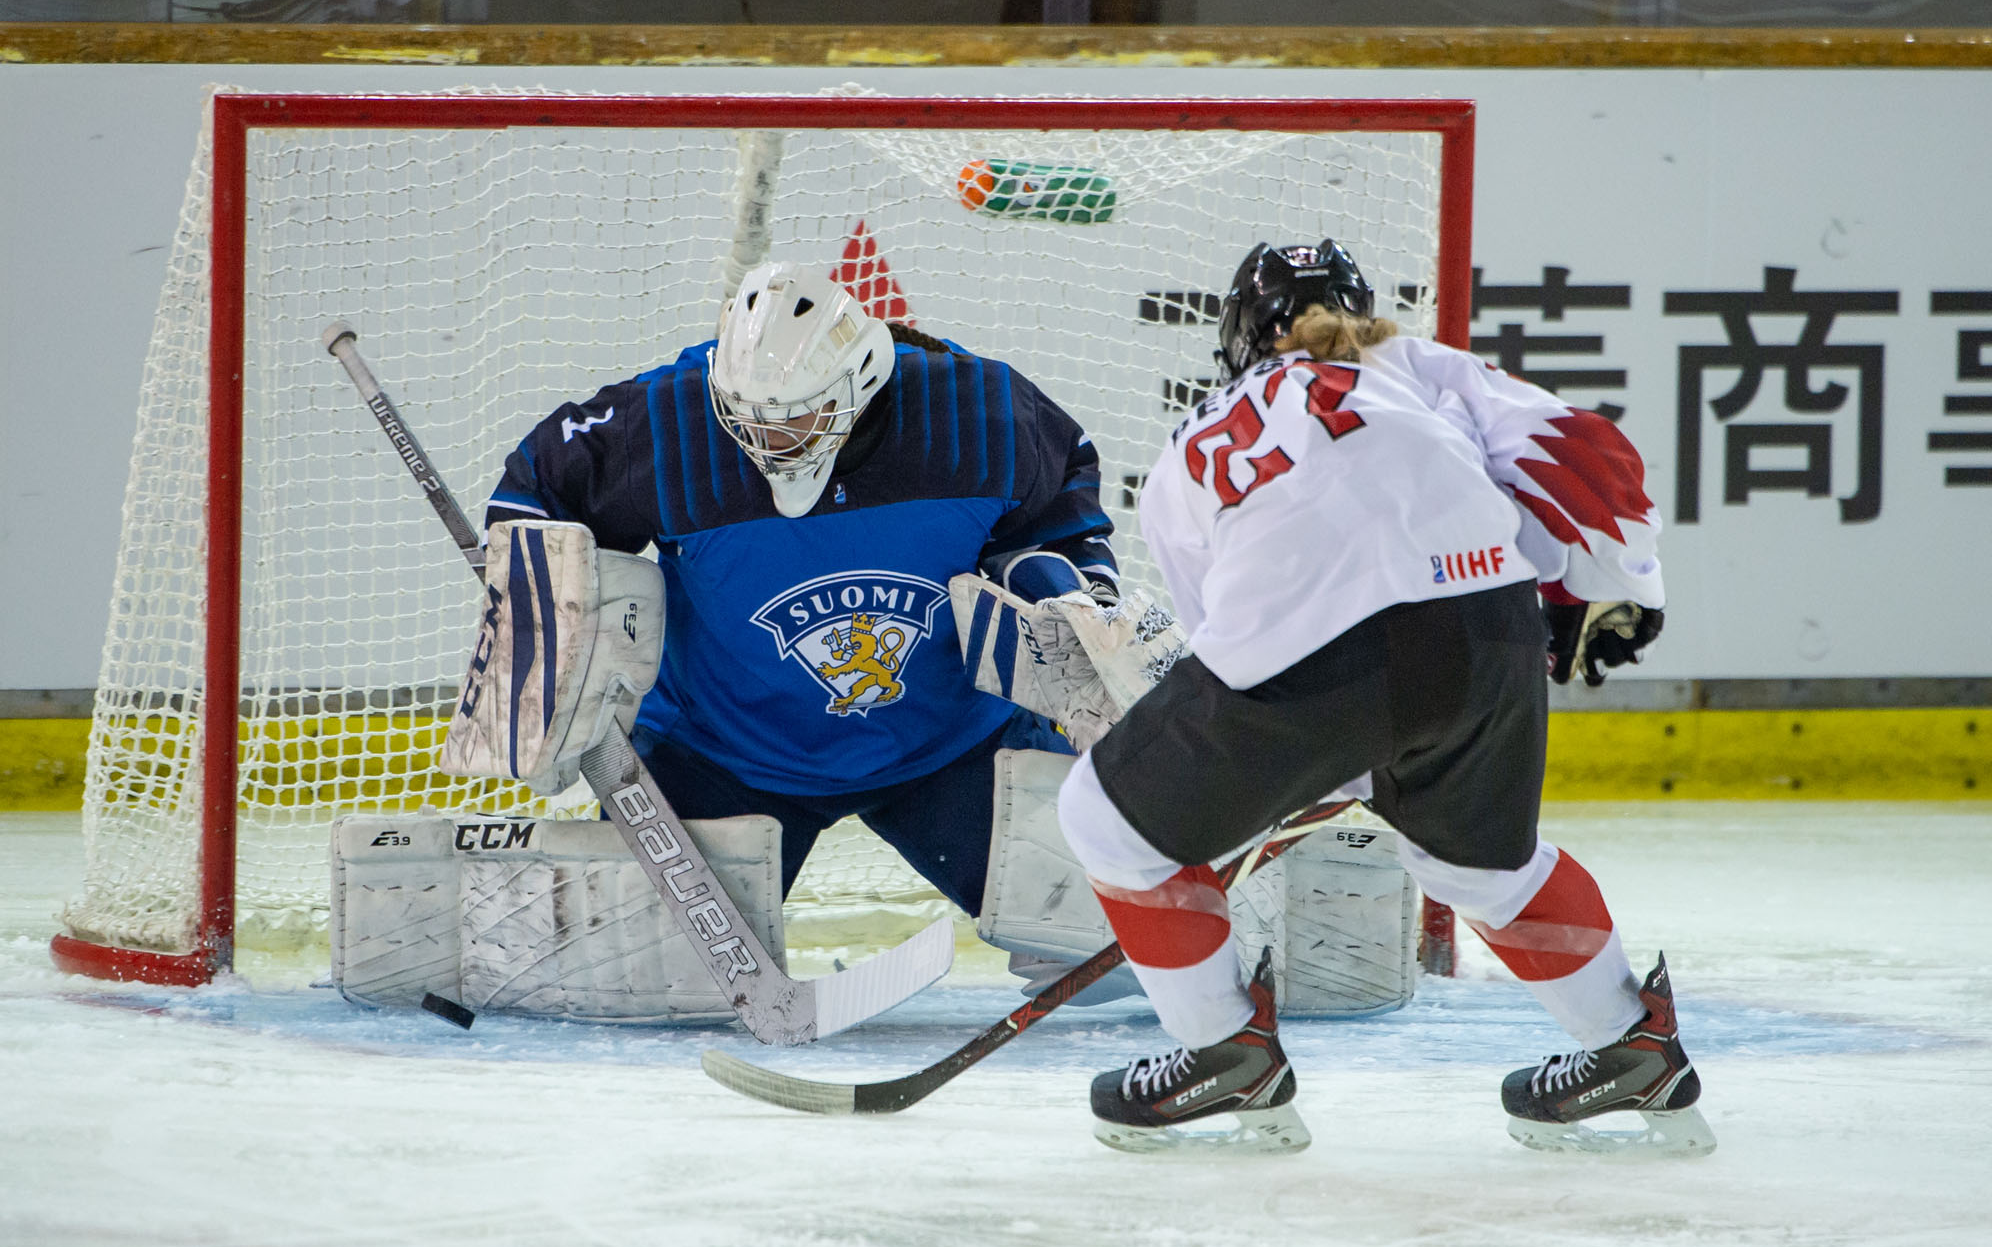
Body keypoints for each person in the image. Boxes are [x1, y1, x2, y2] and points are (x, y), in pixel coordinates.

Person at [1054, 239, 1713, 1157]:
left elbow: (1223, 649)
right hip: (1489, 624)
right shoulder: (1411, 364)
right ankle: (1633, 1047)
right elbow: (1578, 447)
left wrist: (1300, 772)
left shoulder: (1189, 444)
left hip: (1310, 648)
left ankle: (1222, 1052)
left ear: (1239, 338)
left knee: (1104, 820)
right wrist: (1620, 584)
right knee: (1483, 866)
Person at [480, 259, 1117, 930]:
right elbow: (534, 489)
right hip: (722, 755)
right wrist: (541, 639)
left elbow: (1062, 507)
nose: (766, 440)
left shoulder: (974, 414)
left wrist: (1085, 614)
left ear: (859, 382)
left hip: (954, 747)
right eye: (747, 417)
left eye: (793, 417)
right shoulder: (673, 421)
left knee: (1105, 932)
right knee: (638, 959)